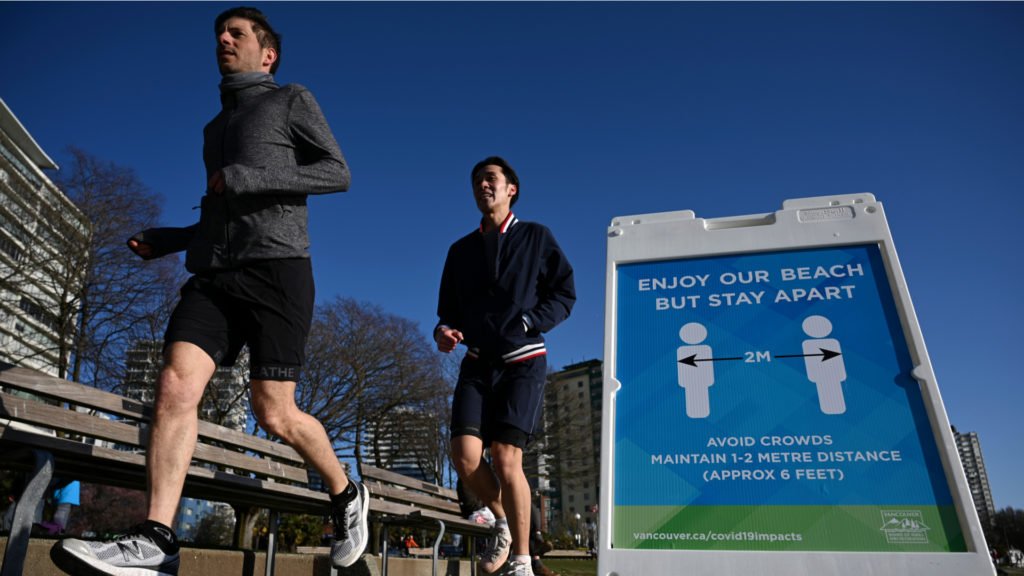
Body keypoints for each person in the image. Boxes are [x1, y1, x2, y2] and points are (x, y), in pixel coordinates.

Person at [51, 7, 368, 576]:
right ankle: (156, 538)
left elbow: (336, 172)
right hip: (215, 276)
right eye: (219, 33)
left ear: (266, 54)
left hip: (278, 270)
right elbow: (223, 215)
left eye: (237, 33)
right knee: (174, 385)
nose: (223, 39)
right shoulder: (213, 128)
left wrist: (249, 177)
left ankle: (346, 495)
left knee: (275, 412)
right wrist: (170, 240)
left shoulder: (290, 98)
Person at [435, 156, 575, 576]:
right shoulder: (459, 251)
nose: (483, 185)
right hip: (477, 364)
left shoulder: (536, 237)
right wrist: (444, 332)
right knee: (464, 456)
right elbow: (448, 313)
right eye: (477, 180)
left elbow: (564, 293)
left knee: (506, 457)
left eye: (491, 178)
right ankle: (505, 523)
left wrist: (531, 320)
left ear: (511, 188)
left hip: (523, 362)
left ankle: (521, 561)